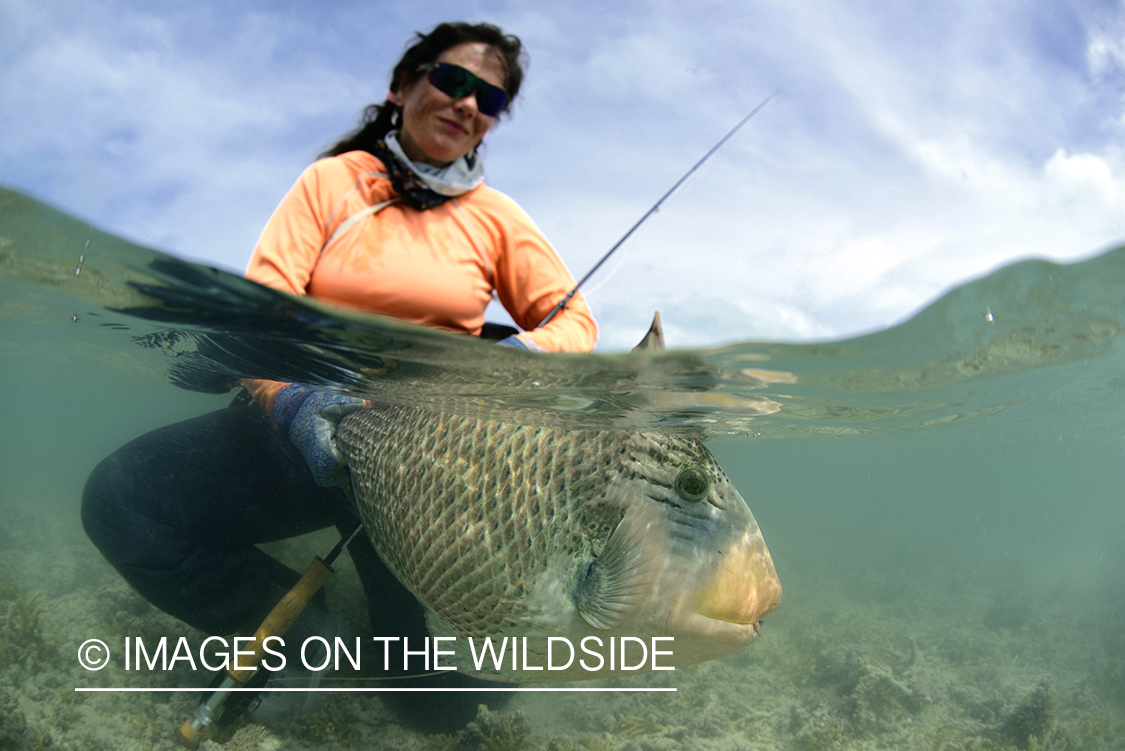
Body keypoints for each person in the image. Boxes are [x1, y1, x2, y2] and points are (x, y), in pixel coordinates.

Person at [81, 21, 597, 733]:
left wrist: (518, 359)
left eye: (490, 98)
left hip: (427, 462)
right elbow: (264, 313)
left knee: (428, 707)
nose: (467, 103)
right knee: (120, 501)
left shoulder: (498, 219)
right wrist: (294, 401)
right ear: (402, 85)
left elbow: (576, 325)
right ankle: (312, 640)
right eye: (451, 80)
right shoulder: (331, 183)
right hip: (292, 436)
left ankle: (403, 656)